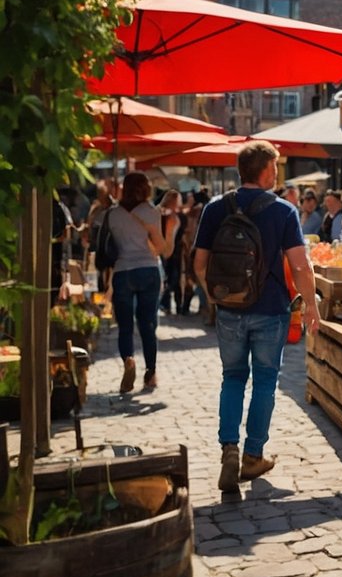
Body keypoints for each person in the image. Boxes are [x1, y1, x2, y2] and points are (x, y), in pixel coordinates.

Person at [192, 140, 319, 492]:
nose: (277, 173)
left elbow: (199, 264)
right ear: (265, 171)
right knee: (265, 381)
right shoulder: (283, 211)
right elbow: (301, 266)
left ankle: (228, 449)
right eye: (275, 167)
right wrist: (311, 304)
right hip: (271, 310)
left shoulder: (216, 208)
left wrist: (215, 298)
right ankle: (252, 457)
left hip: (230, 310)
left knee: (232, 377)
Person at [109, 171, 172, 393]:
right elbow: (161, 247)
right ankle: (150, 373)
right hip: (147, 269)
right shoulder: (151, 212)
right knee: (147, 324)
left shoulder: (113, 215)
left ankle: (128, 360)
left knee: (125, 326)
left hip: (122, 270)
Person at [157, 189, 186, 313]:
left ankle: (169, 305)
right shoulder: (174, 217)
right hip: (173, 251)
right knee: (174, 279)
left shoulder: (161, 214)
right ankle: (175, 306)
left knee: (170, 278)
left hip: (168, 251)